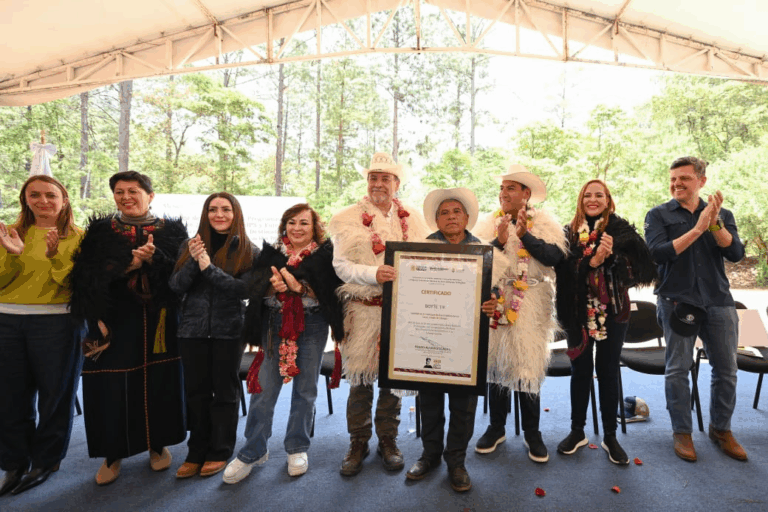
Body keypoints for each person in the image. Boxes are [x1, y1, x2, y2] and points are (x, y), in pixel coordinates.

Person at [69, 170, 188, 485]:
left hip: (160, 320)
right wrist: (128, 265)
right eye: (119, 192)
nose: (126, 197)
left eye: (133, 191)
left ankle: (156, 443)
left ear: (150, 195)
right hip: (112, 320)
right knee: (111, 386)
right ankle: (113, 452)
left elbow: (183, 274)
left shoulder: (172, 229)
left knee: (159, 381)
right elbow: (83, 278)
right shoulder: (100, 231)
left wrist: (155, 259)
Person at [223, 204, 344, 483]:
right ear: (284, 225)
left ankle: (297, 447)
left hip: (312, 326)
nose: (297, 228)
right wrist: (273, 291)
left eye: (304, 223)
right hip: (273, 327)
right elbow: (254, 291)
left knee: (306, 389)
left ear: (314, 227)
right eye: (292, 222)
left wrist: (301, 290)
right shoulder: (271, 254)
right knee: (263, 390)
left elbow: (332, 296)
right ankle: (253, 450)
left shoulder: (327, 256)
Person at [329, 152, 428, 476]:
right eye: (373, 177)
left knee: (393, 377)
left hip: (402, 310)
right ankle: (358, 441)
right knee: (360, 379)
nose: (378, 184)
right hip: (364, 308)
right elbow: (340, 266)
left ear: (397, 183)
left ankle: (389, 439)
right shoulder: (347, 218)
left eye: (385, 178)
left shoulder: (413, 217)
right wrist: (374, 275)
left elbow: (426, 258)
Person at [645, 156, 747, 462]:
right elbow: (658, 253)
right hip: (677, 301)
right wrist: (697, 228)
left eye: (684, 179)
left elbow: (735, 253)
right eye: (673, 179)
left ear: (701, 181)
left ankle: (721, 430)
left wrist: (713, 224)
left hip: (718, 301)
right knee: (678, 370)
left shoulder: (721, 214)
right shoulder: (658, 214)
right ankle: (683, 433)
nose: (677, 184)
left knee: (727, 370)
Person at [554, 179, 656, 465]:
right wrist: (592, 261)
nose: (593, 199)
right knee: (581, 369)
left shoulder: (621, 230)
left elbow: (643, 269)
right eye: (587, 195)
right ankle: (577, 431)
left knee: (609, 369)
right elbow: (563, 272)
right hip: (577, 313)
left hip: (614, 312)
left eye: (599, 195)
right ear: (580, 200)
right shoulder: (569, 232)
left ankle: (610, 435)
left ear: (608, 200)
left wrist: (613, 260)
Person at [473, 164, 566, 463]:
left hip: (533, 300)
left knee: (528, 365)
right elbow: (477, 260)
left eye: (510, 188)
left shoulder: (546, 222)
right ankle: (496, 427)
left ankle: (532, 432)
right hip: (498, 298)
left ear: (526, 194)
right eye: (502, 188)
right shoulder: (489, 222)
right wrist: (499, 241)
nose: (503, 194)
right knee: (497, 361)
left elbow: (555, 258)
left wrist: (525, 235)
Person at [406, 187, 496, 492]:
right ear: (436, 220)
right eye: (444, 212)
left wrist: (493, 301)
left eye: (456, 211)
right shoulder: (419, 249)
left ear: (468, 217)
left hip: (466, 341)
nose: (451, 216)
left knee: (463, 405)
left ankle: (456, 461)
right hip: (428, 336)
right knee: (429, 401)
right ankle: (429, 455)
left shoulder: (484, 250)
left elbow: (495, 290)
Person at [0, 176, 84, 496]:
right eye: (34, 195)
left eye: (50, 195)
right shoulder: (9, 232)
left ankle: (45, 462)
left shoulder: (79, 237)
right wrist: (12, 254)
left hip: (57, 324)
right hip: (6, 322)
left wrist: (54, 257)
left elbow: (73, 286)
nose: (43, 201)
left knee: (55, 396)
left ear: (64, 199)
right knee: (9, 397)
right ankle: (14, 462)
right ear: (25, 199)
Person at [169, 193, 258, 479]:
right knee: (195, 392)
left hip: (229, 331)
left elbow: (242, 291)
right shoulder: (189, 245)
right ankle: (196, 451)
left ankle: (220, 450)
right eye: (213, 209)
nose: (219, 214)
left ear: (236, 214)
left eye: (225, 209)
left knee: (224, 392)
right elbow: (176, 286)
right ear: (206, 213)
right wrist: (195, 261)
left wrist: (209, 267)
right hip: (191, 331)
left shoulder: (248, 249)